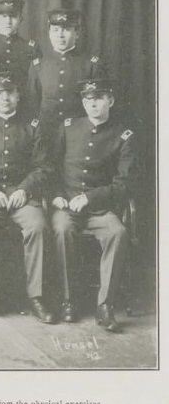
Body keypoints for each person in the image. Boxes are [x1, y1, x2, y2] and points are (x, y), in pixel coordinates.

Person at [51, 79, 136, 333]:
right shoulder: (68, 128)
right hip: (66, 205)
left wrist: (91, 197)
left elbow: (123, 184)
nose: (93, 104)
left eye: (98, 98)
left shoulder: (124, 136)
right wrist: (55, 194)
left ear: (110, 100)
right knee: (62, 229)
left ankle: (105, 304)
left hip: (100, 208)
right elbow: (50, 168)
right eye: (88, 100)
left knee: (117, 233)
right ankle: (68, 300)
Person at [0, 71, 54, 323]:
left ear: (18, 96)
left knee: (38, 226)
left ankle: (36, 297)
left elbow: (43, 167)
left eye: (10, 93)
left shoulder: (33, 125)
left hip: (23, 195)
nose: (5, 98)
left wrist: (24, 189)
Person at [27, 9, 104, 124]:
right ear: (49, 33)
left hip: (78, 131)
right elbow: (33, 101)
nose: (60, 35)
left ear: (77, 33)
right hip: (47, 130)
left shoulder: (90, 64)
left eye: (66, 30)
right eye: (55, 30)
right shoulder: (38, 65)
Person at [0, 0, 41, 87]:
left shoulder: (30, 48)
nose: (8, 21)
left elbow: (37, 80)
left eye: (13, 16)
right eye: (4, 16)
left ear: (20, 19)